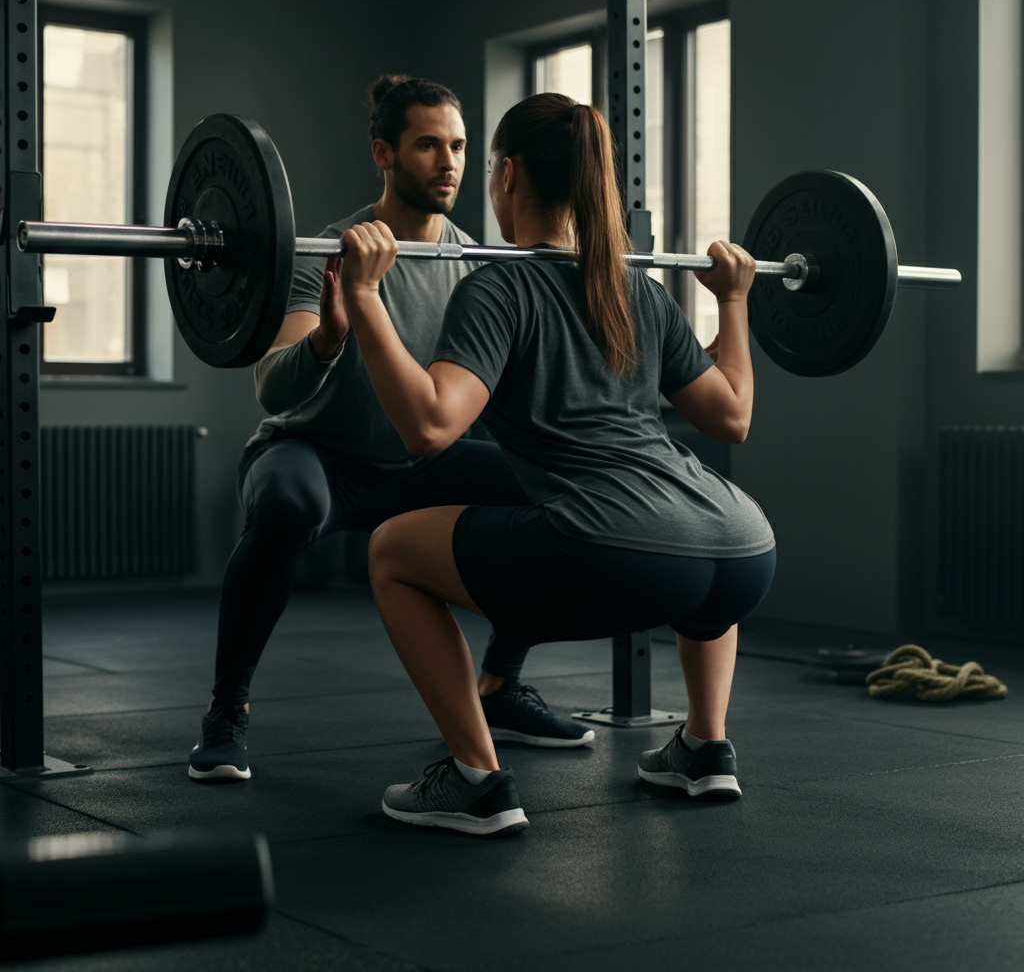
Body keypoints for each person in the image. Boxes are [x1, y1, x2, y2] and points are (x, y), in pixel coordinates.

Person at [330, 92, 777, 837]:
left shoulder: (499, 287)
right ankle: (704, 744)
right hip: (743, 551)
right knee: (693, 531)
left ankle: (475, 779)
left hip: (614, 556)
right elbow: (731, 416)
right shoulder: (641, 288)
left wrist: (366, 295)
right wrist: (734, 302)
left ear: (505, 176)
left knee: (391, 550)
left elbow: (430, 427)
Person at [188, 77, 594, 783]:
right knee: (285, 505)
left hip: (421, 465)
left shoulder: (478, 266)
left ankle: (500, 685)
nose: (449, 162)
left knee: (549, 487)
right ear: (384, 151)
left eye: (461, 145)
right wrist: (328, 339)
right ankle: (227, 711)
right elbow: (270, 385)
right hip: (316, 455)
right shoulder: (324, 252)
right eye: (428, 144)